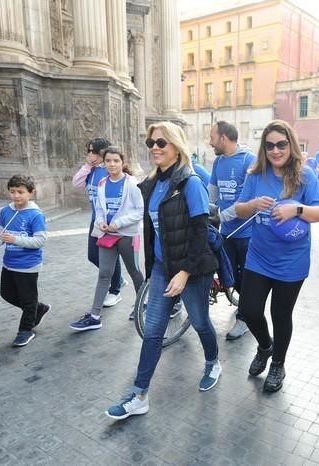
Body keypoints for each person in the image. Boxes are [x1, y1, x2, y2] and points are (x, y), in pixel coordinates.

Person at [105, 121, 221, 420]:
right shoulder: (153, 183)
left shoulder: (189, 182)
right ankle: (139, 395)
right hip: (161, 268)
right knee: (153, 330)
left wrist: (184, 273)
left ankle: (212, 361)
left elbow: (199, 233)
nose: (154, 147)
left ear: (176, 146)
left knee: (199, 321)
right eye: (151, 143)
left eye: (161, 143)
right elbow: (154, 232)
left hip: (192, 269)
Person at [234, 120, 319, 392]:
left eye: (281, 144)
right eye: (270, 145)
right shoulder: (255, 175)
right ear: (264, 148)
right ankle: (265, 346)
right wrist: (251, 205)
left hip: (292, 262)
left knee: (280, 315)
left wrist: (296, 209)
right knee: (249, 310)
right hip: (259, 258)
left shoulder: (305, 176)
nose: (276, 150)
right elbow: (239, 209)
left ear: (291, 145)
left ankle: (278, 364)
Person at [70, 147, 145, 331]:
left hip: (127, 236)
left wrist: (118, 223)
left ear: (122, 163)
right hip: (107, 236)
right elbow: (100, 209)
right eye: (108, 161)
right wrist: (102, 222)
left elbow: (140, 210)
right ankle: (95, 316)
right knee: (104, 274)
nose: (112, 164)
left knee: (134, 272)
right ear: (104, 163)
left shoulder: (131, 183)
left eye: (116, 161)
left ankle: (142, 306)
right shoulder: (102, 183)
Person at [208, 120, 257, 340]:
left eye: (212, 137)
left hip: (247, 233)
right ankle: (246, 306)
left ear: (223, 138)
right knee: (230, 275)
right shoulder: (218, 162)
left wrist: (221, 215)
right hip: (226, 232)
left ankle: (245, 319)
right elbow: (213, 194)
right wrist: (207, 212)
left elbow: (247, 202)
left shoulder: (249, 160)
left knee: (246, 277)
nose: (210, 142)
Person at [0, 175, 49, 347]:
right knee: (7, 294)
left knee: (28, 300)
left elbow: (40, 241)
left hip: (28, 264)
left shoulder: (35, 215)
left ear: (31, 193)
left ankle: (25, 331)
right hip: (9, 262)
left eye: (21, 192)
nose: (16, 196)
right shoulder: (6, 211)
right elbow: (0, 233)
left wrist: (15, 240)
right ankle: (39, 308)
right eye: (12, 192)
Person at [72, 138, 124, 308]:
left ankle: (115, 290)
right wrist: (87, 167)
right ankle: (119, 279)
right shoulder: (91, 170)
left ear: (103, 152)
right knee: (93, 256)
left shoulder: (110, 170)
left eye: (94, 151)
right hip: (96, 220)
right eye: (88, 151)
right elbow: (77, 183)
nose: (91, 155)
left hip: (111, 223)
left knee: (110, 257)